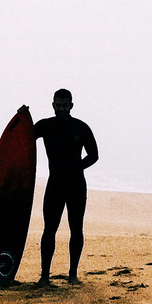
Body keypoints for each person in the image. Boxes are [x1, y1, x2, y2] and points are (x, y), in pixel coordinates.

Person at [31, 88, 98, 286]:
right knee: (49, 229)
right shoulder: (45, 126)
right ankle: (44, 276)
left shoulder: (81, 127)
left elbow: (94, 155)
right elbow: (24, 139)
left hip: (76, 185)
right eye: (58, 105)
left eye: (65, 105)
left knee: (76, 229)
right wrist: (21, 118)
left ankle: (73, 275)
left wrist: (76, 167)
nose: (61, 109)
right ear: (53, 105)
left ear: (71, 106)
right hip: (55, 184)